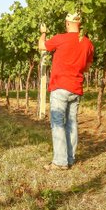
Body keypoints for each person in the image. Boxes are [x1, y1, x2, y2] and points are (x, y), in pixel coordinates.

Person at [38, 13, 94, 170]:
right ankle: (70, 159)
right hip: (76, 88)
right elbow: (87, 67)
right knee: (72, 123)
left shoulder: (60, 38)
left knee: (57, 123)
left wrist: (43, 32)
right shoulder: (88, 43)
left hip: (60, 86)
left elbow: (42, 46)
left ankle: (60, 162)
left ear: (67, 23)